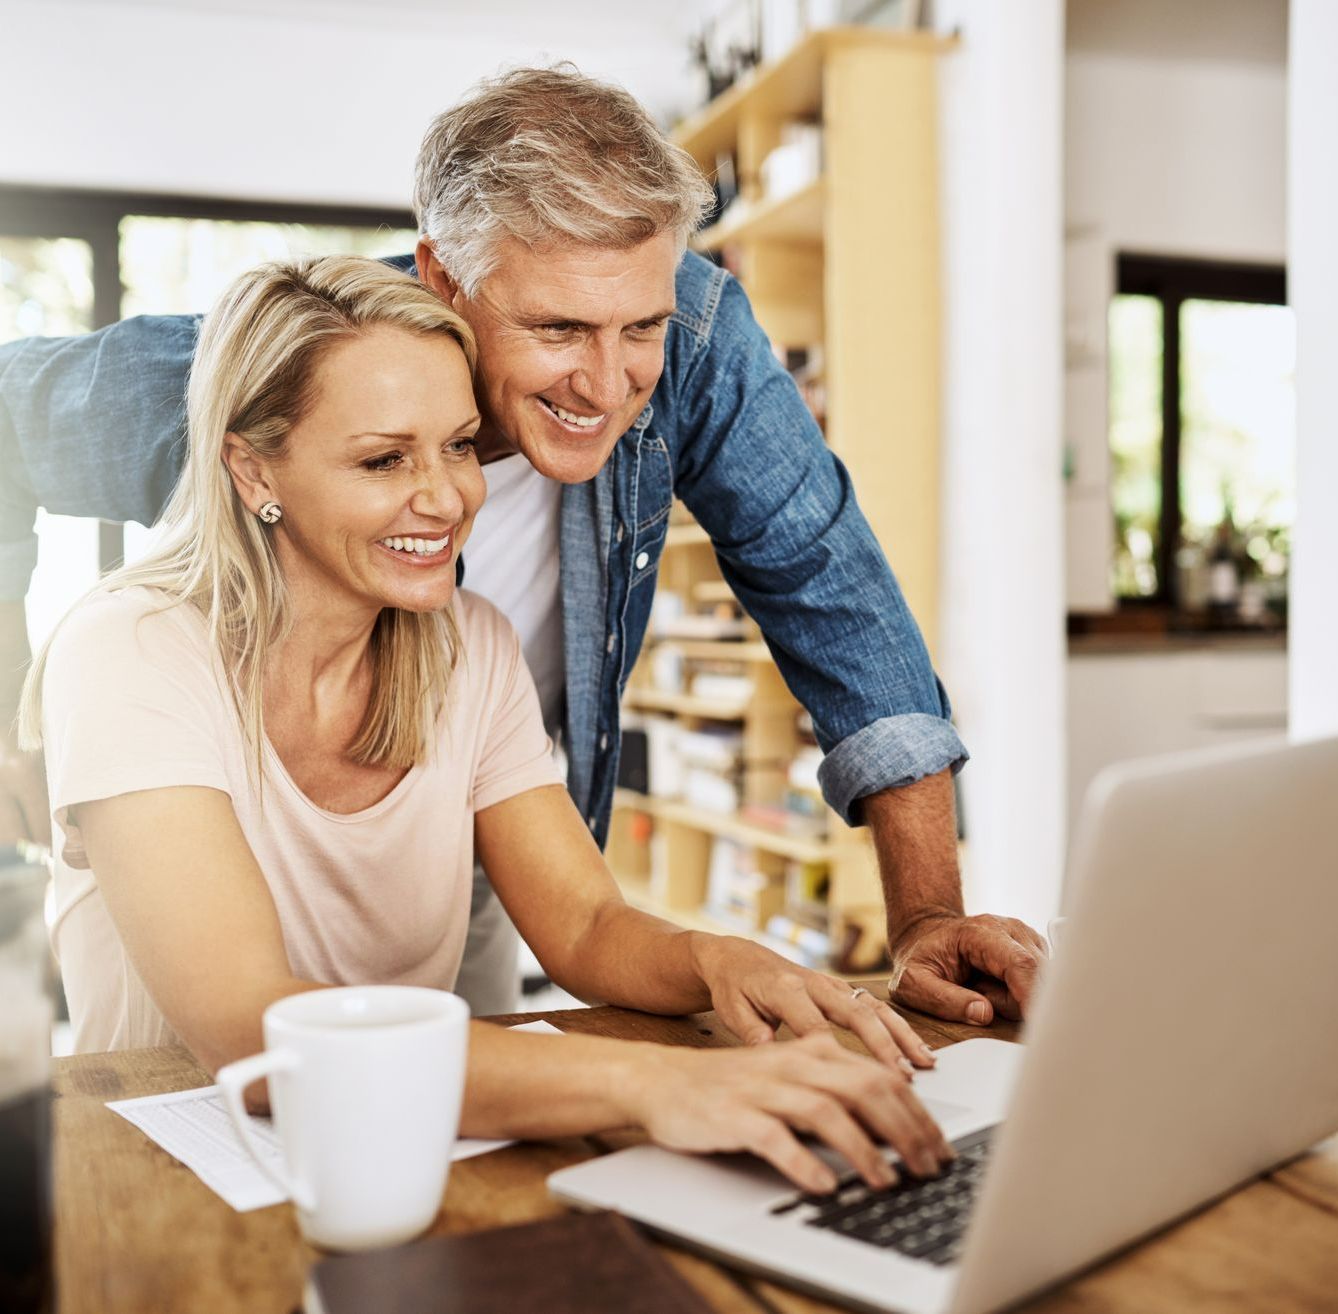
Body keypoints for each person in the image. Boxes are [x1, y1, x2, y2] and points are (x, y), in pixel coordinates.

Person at [0, 66, 1047, 1026]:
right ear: (444, 277)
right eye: (555, 330)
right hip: (218, 822)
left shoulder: (681, 346)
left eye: (639, 325)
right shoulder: (280, 363)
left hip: (474, 828)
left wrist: (922, 920)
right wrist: (13, 709)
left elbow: (831, 585)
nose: (607, 382)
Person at [20, 255, 953, 1196]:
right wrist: (661, 1083)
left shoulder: (471, 646)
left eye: (460, 447)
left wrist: (720, 961)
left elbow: (585, 926)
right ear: (252, 468)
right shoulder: (130, 647)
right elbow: (253, 1028)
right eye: (384, 459)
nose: (445, 498)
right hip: (170, 1186)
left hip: (403, 1161)